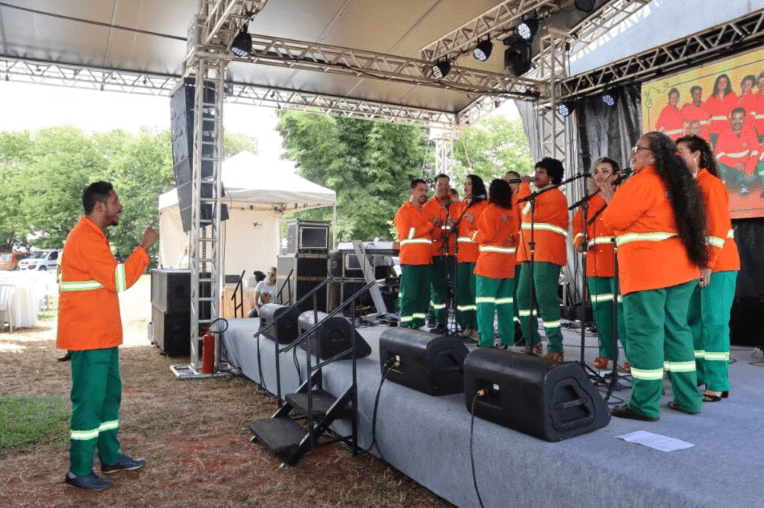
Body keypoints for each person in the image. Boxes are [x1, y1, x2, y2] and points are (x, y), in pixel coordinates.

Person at [57, 181, 158, 490]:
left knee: (108, 398)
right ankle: (79, 470)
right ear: (99, 206)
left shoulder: (93, 236)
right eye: (115, 202)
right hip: (89, 338)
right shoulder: (86, 237)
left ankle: (110, 457)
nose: (120, 206)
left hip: (101, 336)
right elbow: (120, 279)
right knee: (89, 402)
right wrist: (144, 248)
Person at [600, 131, 707, 421]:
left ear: (653, 154)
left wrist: (612, 199)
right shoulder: (682, 183)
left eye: (638, 148)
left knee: (645, 336)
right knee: (678, 332)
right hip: (681, 269)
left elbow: (612, 221)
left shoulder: (644, 181)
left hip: (648, 271)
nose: (633, 153)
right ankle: (689, 399)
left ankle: (644, 405)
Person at [676, 135, 740, 402]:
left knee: (714, 323)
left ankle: (717, 382)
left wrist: (707, 265)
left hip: (717, 266)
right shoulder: (690, 187)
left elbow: (716, 231)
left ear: (697, 155)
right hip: (698, 265)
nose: (675, 157)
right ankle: (699, 375)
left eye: (680, 152)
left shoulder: (710, 185)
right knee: (693, 322)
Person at [572, 157, 629, 371]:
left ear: (616, 175)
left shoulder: (624, 195)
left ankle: (632, 357)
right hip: (595, 263)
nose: (599, 175)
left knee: (624, 314)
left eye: (605, 170)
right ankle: (606, 353)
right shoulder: (588, 201)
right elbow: (577, 225)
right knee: (601, 312)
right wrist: (579, 241)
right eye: (596, 171)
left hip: (618, 262)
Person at [515, 158, 569, 362]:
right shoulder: (537, 195)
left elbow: (527, 212)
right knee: (522, 297)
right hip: (529, 254)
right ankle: (532, 342)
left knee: (546, 300)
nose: (536, 175)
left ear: (552, 177)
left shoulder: (555, 196)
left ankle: (556, 347)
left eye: (541, 172)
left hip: (547, 254)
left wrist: (523, 187)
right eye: (536, 171)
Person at [474, 179, 519, 348]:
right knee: (505, 305)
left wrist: (472, 234)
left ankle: (485, 341)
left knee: (485, 305)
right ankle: (507, 340)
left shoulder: (489, 212)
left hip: (489, 265)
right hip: (507, 266)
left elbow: (485, 237)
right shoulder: (511, 213)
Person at [394, 178, 435, 328]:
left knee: (423, 295)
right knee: (409, 294)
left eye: (425, 190)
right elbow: (407, 234)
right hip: (411, 260)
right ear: (412, 191)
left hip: (426, 260)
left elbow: (428, 235)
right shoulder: (403, 211)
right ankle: (405, 323)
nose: (424, 193)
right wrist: (430, 225)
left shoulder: (426, 210)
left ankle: (417, 323)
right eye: (421, 190)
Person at [452, 175, 488, 341]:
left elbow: (488, 229)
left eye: (469, 184)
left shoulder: (484, 205)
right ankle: (466, 325)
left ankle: (477, 328)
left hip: (476, 255)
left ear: (477, 187)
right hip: (462, 256)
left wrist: (475, 221)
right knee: (463, 293)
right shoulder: (461, 205)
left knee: (475, 293)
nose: (465, 187)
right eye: (464, 183)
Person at [422, 174, 458, 333]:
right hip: (436, 253)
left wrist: (455, 225)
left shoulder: (457, 204)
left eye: (446, 184)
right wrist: (432, 224)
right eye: (440, 184)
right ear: (434, 187)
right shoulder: (427, 207)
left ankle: (465, 325)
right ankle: (440, 321)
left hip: (455, 253)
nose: (444, 187)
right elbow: (422, 231)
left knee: (459, 288)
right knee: (438, 290)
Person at [504, 170, 531, 344]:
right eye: (505, 181)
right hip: (506, 257)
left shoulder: (523, 197)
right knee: (508, 297)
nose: (509, 184)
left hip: (520, 256)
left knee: (520, 296)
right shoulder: (503, 202)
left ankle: (524, 333)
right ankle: (512, 330)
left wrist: (524, 188)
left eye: (512, 181)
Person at [714, 106, 764, 196]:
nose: (737, 122)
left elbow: (755, 151)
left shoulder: (750, 131)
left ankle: (743, 182)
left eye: (740, 118)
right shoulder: (723, 133)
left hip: (746, 165)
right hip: (730, 167)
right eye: (734, 119)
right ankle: (726, 186)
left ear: (744, 119)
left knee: (760, 166)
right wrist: (735, 164)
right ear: (730, 119)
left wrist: (749, 167)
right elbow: (718, 155)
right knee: (717, 166)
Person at [704, 73, 737, 146]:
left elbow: (737, 111)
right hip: (714, 132)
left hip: (728, 130)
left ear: (727, 84)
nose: (722, 84)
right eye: (720, 82)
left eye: (724, 82)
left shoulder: (732, 95)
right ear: (717, 83)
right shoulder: (711, 98)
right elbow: (706, 115)